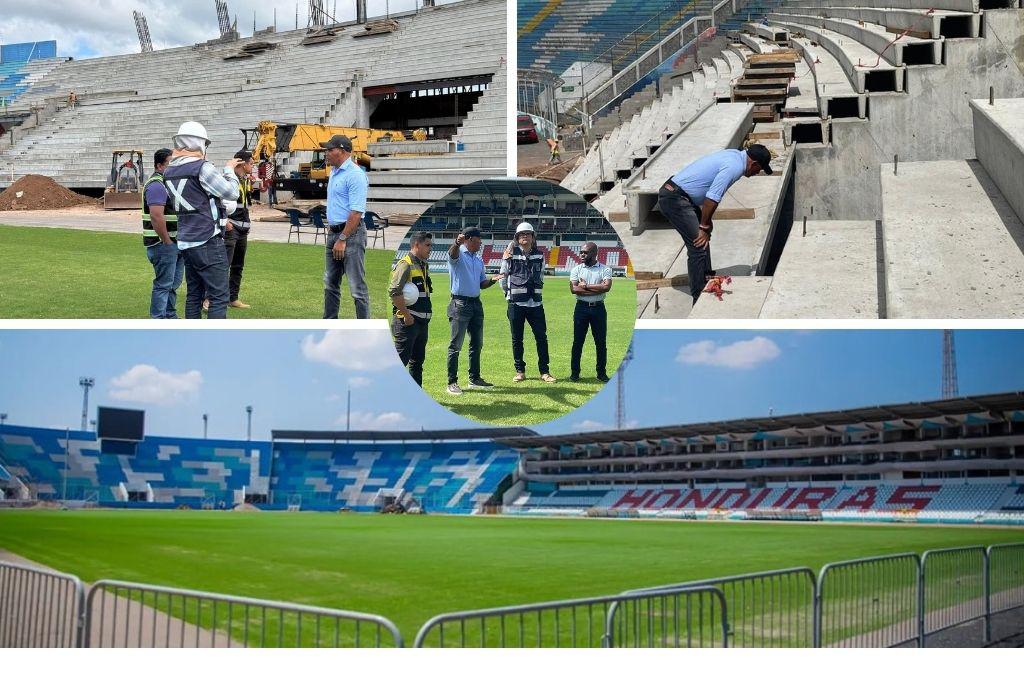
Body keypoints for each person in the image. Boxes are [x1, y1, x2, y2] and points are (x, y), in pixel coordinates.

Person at [657, 143, 774, 303]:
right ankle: (699, 297)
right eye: (759, 169)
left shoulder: (735, 155)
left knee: (704, 236)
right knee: (698, 244)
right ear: (753, 163)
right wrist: (704, 226)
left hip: (681, 195)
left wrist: (706, 224)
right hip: (675, 199)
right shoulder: (735, 167)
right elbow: (712, 197)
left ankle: (707, 277)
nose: (756, 173)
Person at [162, 120, 241, 319]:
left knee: (194, 296)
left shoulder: (169, 171)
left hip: (186, 240)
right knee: (219, 296)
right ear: (200, 143)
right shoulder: (202, 167)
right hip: (207, 239)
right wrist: (230, 170)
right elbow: (232, 193)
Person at [446, 226, 503, 395]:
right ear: (470, 240)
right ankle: (452, 382)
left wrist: (492, 280)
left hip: (476, 304)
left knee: (477, 343)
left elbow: (481, 284)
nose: (481, 244)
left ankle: (474, 379)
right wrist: (457, 242)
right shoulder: (458, 254)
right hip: (460, 304)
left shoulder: (478, 260)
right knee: (456, 345)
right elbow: (452, 253)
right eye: (478, 241)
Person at [321, 134, 371, 319]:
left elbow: (356, 212)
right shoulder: (334, 172)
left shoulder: (355, 175)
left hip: (350, 235)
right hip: (335, 233)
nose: (326, 153)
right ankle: (329, 324)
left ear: (342, 151)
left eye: (329, 149)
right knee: (330, 283)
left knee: (357, 286)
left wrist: (342, 238)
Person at [500, 222, 555, 383]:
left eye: (528, 234)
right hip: (516, 303)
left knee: (541, 337)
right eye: (521, 234)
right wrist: (508, 294)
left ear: (533, 237)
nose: (525, 236)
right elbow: (503, 277)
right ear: (517, 238)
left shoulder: (540, 254)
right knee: (517, 339)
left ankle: (544, 371)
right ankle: (520, 371)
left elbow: (541, 276)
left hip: (536, 303)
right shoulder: (510, 253)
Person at [141, 148, 183, 319]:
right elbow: (156, 216)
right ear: (159, 165)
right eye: (170, 163)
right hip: (163, 244)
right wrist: (167, 241)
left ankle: (170, 317)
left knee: (172, 284)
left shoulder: (166, 183)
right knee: (164, 284)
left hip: (174, 243)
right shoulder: (157, 185)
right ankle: (159, 320)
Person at [390, 231, 433, 386]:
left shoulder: (423, 265)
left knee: (417, 363)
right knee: (399, 363)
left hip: (421, 322)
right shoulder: (405, 264)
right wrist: (406, 315)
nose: (430, 249)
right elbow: (394, 292)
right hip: (407, 323)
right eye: (427, 245)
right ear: (416, 245)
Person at [569, 242, 613, 382]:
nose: (582, 254)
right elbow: (574, 289)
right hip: (581, 308)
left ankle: (601, 373)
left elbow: (606, 288)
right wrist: (596, 288)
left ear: (594, 253)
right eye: (581, 252)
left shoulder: (605, 269)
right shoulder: (576, 269)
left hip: (598, 308)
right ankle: (575, 373)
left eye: (585, 252)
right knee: (578, 342)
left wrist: (586, 286)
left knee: (600, 342)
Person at [224, 150, 255, 310]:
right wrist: (226, 222)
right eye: (251, 163)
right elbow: (219, 203)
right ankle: (209, 298)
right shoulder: (229, 180)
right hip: (231, 229)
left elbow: (244, 207)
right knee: (224, 265)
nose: (253, 165)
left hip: (242, 229)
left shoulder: (244, 180)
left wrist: (247, 224)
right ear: (242, 163)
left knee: (238, 266)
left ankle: (232, 298)